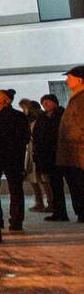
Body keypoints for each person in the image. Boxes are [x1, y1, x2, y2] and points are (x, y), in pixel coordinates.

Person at [0, 88, 30, 231]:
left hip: (13, 157)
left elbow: (24, 137)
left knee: (15, 189)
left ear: (7, 99)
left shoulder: (18, 116)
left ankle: (16, 221)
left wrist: (14, 149)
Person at [56, 65, 84, 221]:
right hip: (74, 154)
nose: (67, 81)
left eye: (69, 77)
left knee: (79, 185)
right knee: (76, 185)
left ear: (79, 80)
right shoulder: (76, 97)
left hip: (78, 154)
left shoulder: (81, 98)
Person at [35, 93, 68, 221]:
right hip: (48, 156)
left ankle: (78, 210)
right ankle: (59, 212)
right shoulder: (42, 117)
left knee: (72, 183)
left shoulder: (62, 115)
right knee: (55, 185)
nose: (45, 104)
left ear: (55, 102)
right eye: (43, 102)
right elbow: (37, 135)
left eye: (48, 101)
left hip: (62, 153)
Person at [19, 99, 51, 213]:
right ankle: (40, 202)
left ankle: (49, 202)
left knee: (42, 178)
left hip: (38, 150)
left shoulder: (40, 119)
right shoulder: (29, 119)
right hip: (32, 149)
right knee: (34, 178)